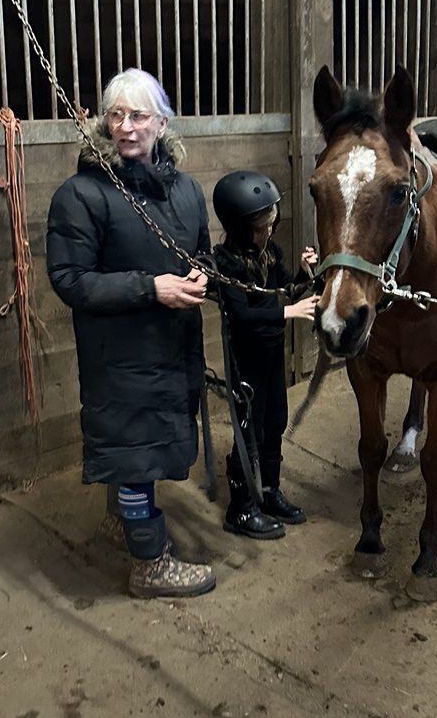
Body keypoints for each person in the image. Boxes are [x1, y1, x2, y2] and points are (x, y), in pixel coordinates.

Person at [47, 68, 216, 599]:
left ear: (161, 124)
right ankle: (149, 565)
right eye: (116, 115)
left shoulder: (187, 191)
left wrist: (203, 274)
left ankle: (120, 521)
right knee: (135, 453)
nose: (126, 127)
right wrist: (151, 288)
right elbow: (70, 279)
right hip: (119, 355)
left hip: (173, 348)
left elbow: (203, 252)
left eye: (139, 116)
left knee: (145, 449)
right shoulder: (81, 195)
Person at [212, 172, 319, 539]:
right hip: (247, 359)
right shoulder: (226, 264)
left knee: (275, 422)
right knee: (249, 430)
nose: (268, 232)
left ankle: (270, 492)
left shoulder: (270, 253)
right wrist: (287, 312)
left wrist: (305, 274)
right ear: (240, 229)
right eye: (261, 228)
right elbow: (242, 314)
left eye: (271, 224)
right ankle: (240, 508)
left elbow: (286, 289)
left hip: (272, 353)